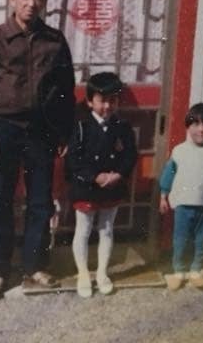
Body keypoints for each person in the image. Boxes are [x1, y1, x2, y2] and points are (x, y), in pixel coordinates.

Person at [0, 0, 76, 299]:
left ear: (45, 0)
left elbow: (65, 90)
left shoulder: (54, 41)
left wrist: (64, 133)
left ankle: (35, 265)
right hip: (3, 130)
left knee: (40, 202)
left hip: (42, 132)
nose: (31, 3)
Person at [66, 71, 138, 298]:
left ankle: (102, 273)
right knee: (84, 230)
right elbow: (73, 160)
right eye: (102, 100)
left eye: (113, 100)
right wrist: (94, 177)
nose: (107, 106)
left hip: (112, 187)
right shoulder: (80, 126)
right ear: (90, 101)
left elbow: (130, 155)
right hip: (86, 187)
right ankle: (83, 273)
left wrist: (118, 174)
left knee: (106, 229)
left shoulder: (122, 126)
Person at [158, 102, 203, 291]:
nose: (201, 129)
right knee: (180, 240)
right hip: (183, 205)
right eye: (196, 124)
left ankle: (196, 271)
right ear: (188, 126)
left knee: (201, 240)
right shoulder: (179, 151)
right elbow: (168, 175)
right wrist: (163, 195)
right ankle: (179, 272)